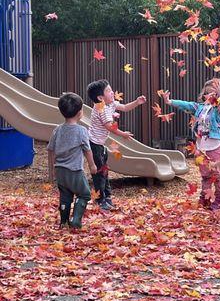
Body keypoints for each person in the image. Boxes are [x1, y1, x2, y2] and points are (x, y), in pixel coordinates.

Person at [163, 78, 220, 210]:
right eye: (207, 93)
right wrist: (169, 101)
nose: (209, 96)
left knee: (217, 175)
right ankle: (205, 197)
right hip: (201, 146)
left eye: (213, 93)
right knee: (205, 175)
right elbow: (187, 105)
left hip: (215, 146)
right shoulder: (200, 107)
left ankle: (219, 199)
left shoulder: (219, 109)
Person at [87, 79, 146, 210]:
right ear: (100, 97)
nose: (112, 92)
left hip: (100, 144)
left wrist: (137, 102)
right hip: (94, 144)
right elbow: (109, 127)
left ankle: (107, 197)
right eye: (108, 90)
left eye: (111, 89)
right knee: (99, 172)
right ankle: (100, 199)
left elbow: (124, 107)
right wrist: (123, 134)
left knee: (104, 170)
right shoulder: (100, 108)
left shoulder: (110, 104)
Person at [47, 93, 97, 229]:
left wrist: (51, 171)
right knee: (85, 194)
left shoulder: (57, 130)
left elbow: (50, 150)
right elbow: (87, 150)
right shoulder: (81, 131)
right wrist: (92, 165)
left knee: (65, 196)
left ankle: (63, 222)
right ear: (80, 112)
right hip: (74, 171)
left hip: (60, 171)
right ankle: (76, 220)